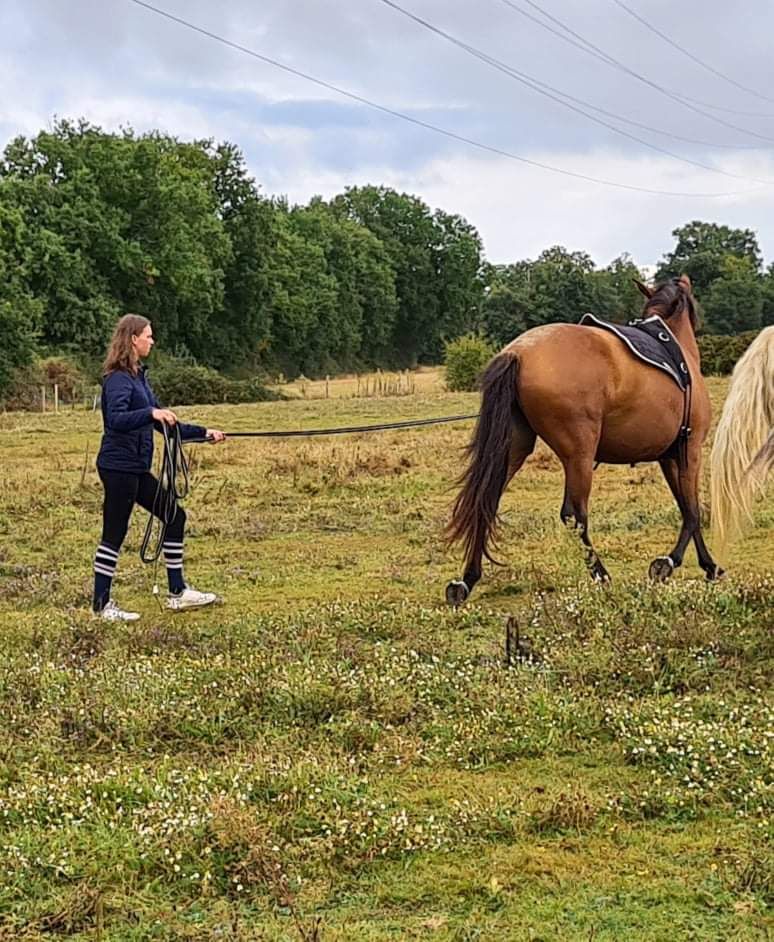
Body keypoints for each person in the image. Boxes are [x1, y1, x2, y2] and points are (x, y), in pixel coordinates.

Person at [92, 314, 226, 622]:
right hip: (117, 466)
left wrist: (205, 433)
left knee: (174, 515)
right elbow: (116, 420)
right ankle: (101, 606)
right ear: (133, 339)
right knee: (114, 532)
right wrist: (151, 411)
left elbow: (163, 421)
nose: (152, 341)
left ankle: (177, 593)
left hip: (136, 466)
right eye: (148, 336)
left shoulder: (139, 377)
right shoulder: (117, 379)